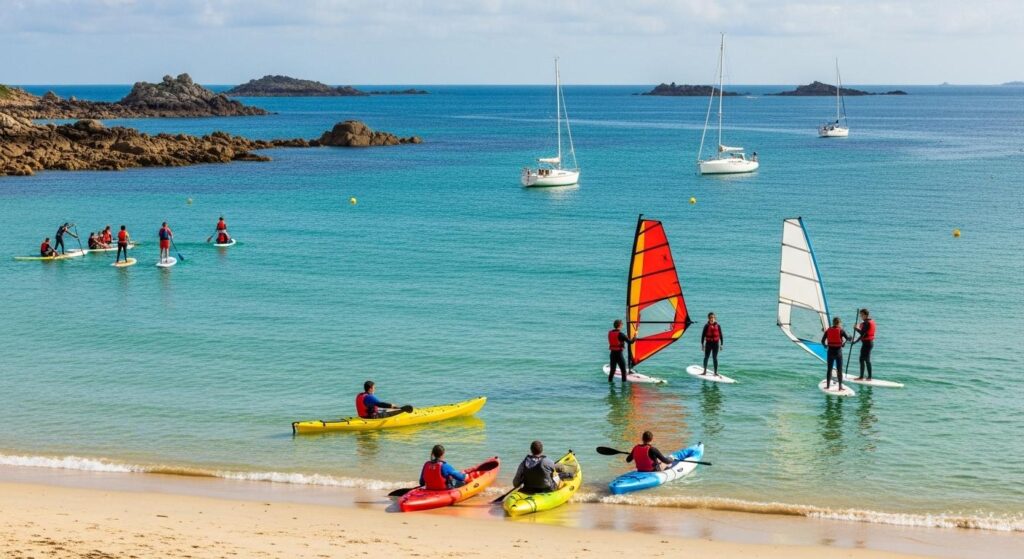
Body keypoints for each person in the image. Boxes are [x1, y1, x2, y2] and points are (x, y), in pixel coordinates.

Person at [821, 317, 851, 390]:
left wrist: (825, 346)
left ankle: (827, 386)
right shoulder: (841, 331)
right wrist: (847, 340)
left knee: (829, 369)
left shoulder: (828, 331)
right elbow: (848, 339)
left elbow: (822, 341)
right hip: (838, 352)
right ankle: (840, 387)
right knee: (839, 370)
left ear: (833, 323)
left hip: (830, 352)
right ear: (839, 323)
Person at [853, 308, 876, 381]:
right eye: (860, 315)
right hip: (869, 343)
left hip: (867, 344)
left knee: (863, 359)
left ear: (866, 315)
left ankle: (863, 377)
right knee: (865, 359)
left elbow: (862, 334)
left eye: (862, 315)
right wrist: (856, 341)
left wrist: (856, 329)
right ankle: (868, 377)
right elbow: (864, 334)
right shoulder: (870, 321)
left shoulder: (867, 323)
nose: (860, 316)